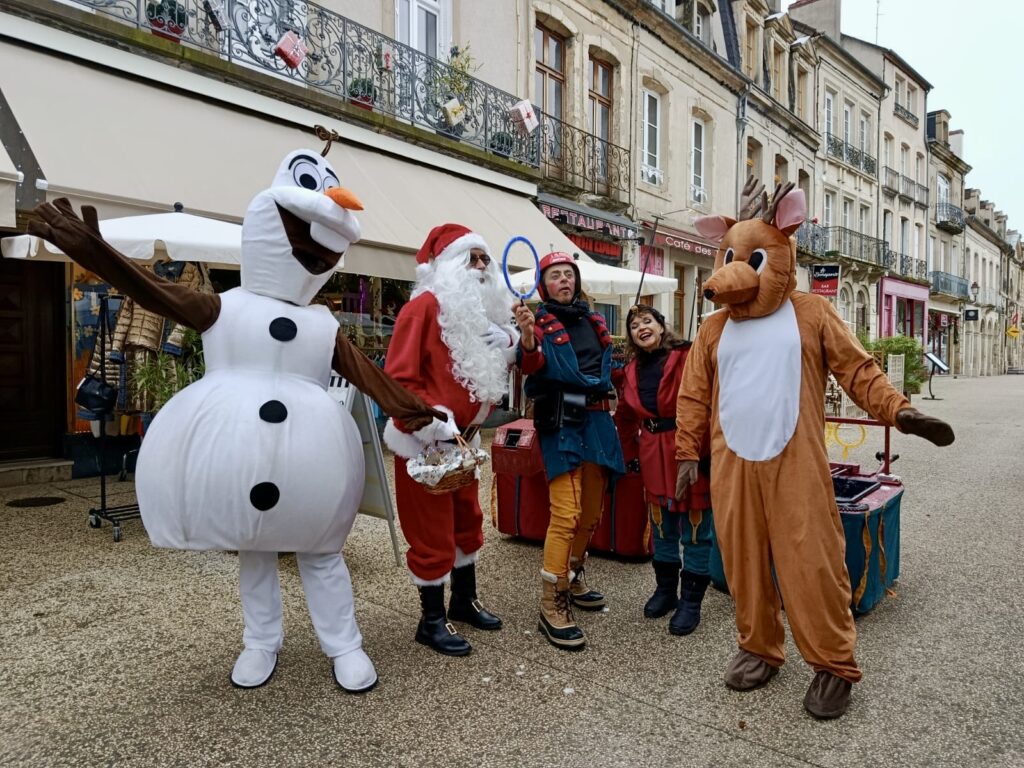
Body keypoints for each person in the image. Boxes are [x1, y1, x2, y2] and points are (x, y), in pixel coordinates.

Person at [26, 151, 441, 693]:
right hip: (244, 463)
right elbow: (151, 291)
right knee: (256, 552)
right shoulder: (224, 306)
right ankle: (260, 641)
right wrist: (95, 253)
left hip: (312, 467)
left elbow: (372, 379)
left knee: (322, 554)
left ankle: (345, 644)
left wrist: (419, 415)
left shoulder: (322, 325)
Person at [676, 178, 955, 719]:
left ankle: (833, 664)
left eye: (752, 257)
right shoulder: (712, 330)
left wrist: (901, 411)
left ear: (781, 253)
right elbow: (694, 394)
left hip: (795, 463)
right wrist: (689, 453)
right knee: (743, 565)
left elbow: (858, 370)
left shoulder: (810, 313)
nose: (736, 268)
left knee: (813, 563)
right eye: (730, 256)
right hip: (733, 464)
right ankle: (759, 646)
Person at [383, 223, 519, 656]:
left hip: (465, 445)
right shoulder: (422, 308)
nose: (480, 267)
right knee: (432, 532)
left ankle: (463, 600)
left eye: (484, 259)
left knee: (467, 521)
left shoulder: (480, 312)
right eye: (470, 259)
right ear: (447, 267)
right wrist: (431, 421)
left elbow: (490, 364)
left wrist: (512, 341)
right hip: (427, 445)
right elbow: (398, 380)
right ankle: (431, 620)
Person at [513, 252, 624, 651]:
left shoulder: (595, 321)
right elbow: (530, 362)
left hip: (597, 421)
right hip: (561, 424)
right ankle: (551, 602)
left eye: (569, 274)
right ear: (543, 285)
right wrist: (526, 336)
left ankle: (573, 576)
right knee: (566, 514)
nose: (564, 280)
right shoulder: (538, 324)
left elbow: (608, 368)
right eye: (555, 275)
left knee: (592, 513)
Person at [614, 304, 714, 635]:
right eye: (634, 325)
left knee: (697, 530)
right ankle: (665, 591)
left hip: (689, 448)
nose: (641, 327)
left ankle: (690, 603)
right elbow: (626, 418)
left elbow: (707, 400)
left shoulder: (687, 356)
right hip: (652, 453)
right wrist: (629, 457)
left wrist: (708, 451)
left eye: (647, 321)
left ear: (661, 326)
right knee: (661, 526)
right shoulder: (628, 371)